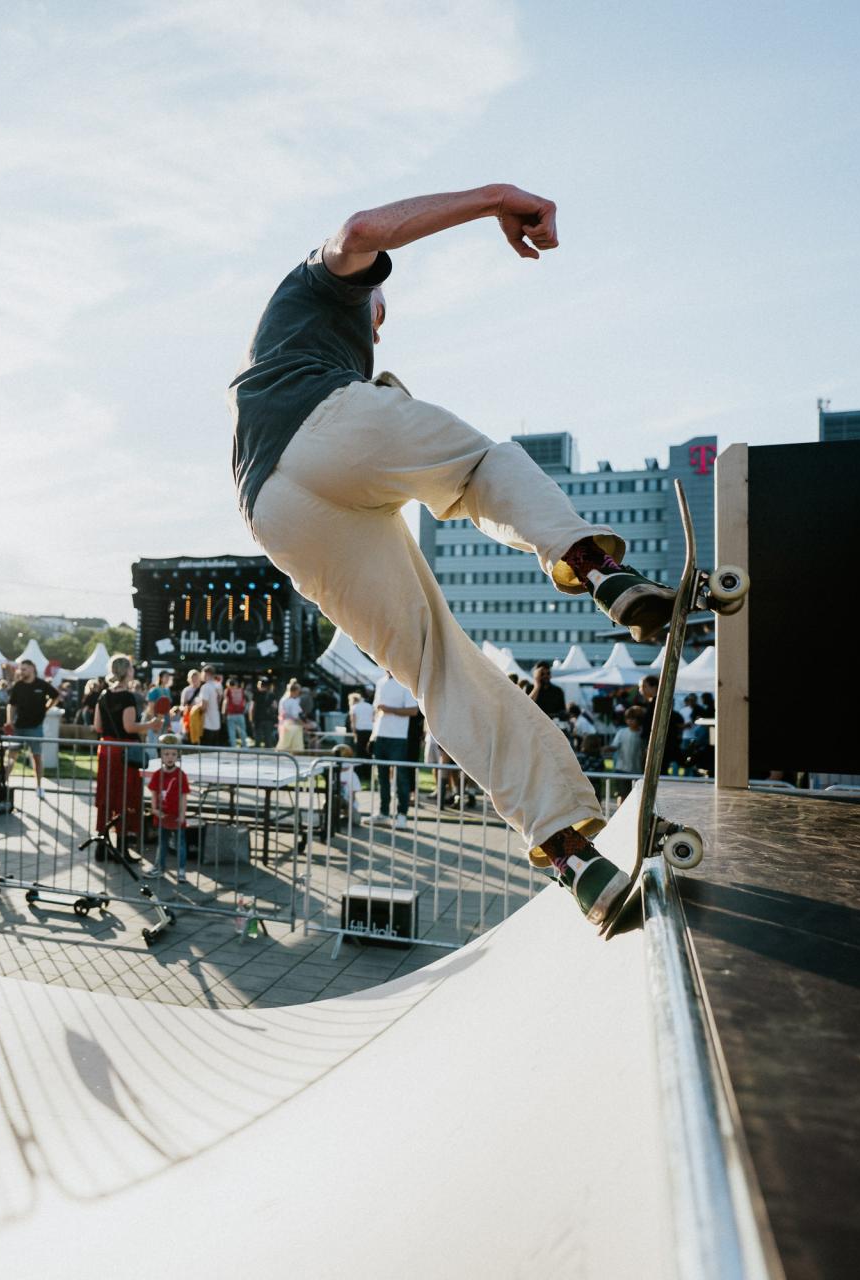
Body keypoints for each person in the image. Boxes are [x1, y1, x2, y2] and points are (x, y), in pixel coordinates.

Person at [229, 182, 682, 926]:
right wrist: (499, 197)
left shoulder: (282, 356)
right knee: (480, 467)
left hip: (275, 512)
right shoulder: (318, 290)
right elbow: (363, 227)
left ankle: (571, 854)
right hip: (324, 427)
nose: (379, 322)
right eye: (379, 313)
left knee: (436, 665)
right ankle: (599, 569)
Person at [91, 655, 161, 851]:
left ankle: (102, 845)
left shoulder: (103, 695)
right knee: (125, 795)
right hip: (124, 751)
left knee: (107, 795)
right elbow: (129, 727)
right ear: (127, 671)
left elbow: (97, 726)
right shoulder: (128, 697)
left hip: (106, 748)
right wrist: (151, 725)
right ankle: (122, 846)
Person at [366, 672, 417, 828]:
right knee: (382, 778)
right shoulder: (380, 681)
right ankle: (384, 813)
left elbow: (413, 710)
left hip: (398, 737)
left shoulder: (405, 681)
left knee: (401, 777)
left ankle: (402, 815)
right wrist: (372, 736)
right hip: (380, 736)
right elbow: (376, 711)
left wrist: (390, 709)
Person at [4, 658, 60, 793]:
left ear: (32, 668)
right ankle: (3, 782)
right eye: (20, 669)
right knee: (12, 755)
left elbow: (56, 696)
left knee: (37, 757)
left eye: (24, 669)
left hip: (35, 727)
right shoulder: (18, 685)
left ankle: (39, 786)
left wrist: (46, 708)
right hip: (19, 727)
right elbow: (11, 704)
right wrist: (9, 721)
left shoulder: (42, 685)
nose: (21, 671)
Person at [144, 735, 194, 882]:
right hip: (162, 815)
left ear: (178, 755)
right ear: (161, 755)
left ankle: (181, 870)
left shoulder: (181, 775)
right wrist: (154, 809)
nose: (170, 757)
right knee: (162, 842)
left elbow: (183, 796)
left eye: (173, 754)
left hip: (176, 816)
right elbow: (153, 793)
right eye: (166, 754)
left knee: (180, 843)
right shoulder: (157, 775)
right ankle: (159, 868)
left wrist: (182, 815)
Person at [610, 706, 648, 775]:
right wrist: (607, 748)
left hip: (636, 770)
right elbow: (614, 746)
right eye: (628, 718)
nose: (630, 721)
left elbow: (644, 752)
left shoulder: (643, 735)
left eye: (633, 718)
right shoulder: (621, 732)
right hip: (621, 769)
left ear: (640, 720)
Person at [347, 689, 374, 782]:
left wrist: (354, 733)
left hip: (360, 731)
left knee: (359, 753)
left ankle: (360, 774)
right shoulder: (370, 706)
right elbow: (373, 718)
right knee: (368, 753)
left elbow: (353, 722)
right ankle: (368, 774)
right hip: (370, 730)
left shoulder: (354, 707)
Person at [197, 664, 227, 747]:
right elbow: (219, 700)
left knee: (205, 749)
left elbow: (204, 706)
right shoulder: (219, 685)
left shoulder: (205, 687)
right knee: (214, 749)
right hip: (216, 720)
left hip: (207, 722)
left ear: (206, 673)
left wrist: (196, 710)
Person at [276, 678, 308, 752]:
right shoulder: (292, 701)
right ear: (294, 691)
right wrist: (304, 724)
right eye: (298, 691)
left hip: (284, 725)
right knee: (289, 747)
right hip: (291, 726)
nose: (299, 693)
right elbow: (295, 716)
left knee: (284, 746)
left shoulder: (283, 699)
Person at [223, 675, 251, 747]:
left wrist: (223, 713)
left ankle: (233, 747)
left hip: (231, 714)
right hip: (240, 714)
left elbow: (225, 702)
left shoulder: (227, 691)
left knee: (232, 731)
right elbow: (248, 700)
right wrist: (246, 709)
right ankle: (245, 746)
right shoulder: (241, 690)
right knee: (242, 731)